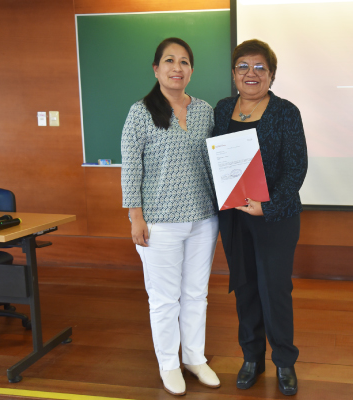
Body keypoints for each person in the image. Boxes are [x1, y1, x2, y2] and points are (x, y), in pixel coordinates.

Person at [121, 37, 220, 396]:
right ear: (156, 69)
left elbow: (217, 162)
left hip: (204, 219)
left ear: (191, 71)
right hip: (159, 223)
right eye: (169, 61)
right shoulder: (140, 112)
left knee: (196, 294)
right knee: (164, 299)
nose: (177, 68)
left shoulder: (205, 110)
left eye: (184, 62)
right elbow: (131, 168)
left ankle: (194, 356)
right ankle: (169, 362)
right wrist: (136, 216)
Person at [212, 39, 308, 396]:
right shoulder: (222, 109)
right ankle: (251, 356)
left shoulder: (286, 112)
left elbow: (296, 168)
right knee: (245, 287)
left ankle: (284, 360)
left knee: (275, 289)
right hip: (234, 216)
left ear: (271, 74)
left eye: (259, 67)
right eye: (243, 66)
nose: (250, 73)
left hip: (275, 217)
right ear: (234, 72)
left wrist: (267, 205)